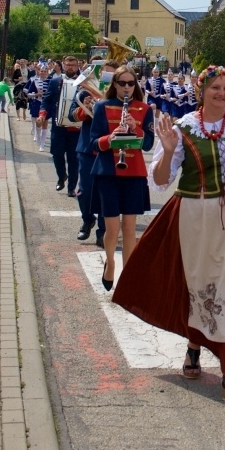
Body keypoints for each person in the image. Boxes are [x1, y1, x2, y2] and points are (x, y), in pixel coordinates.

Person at [112, 66, 225, 409]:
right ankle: (195, 347)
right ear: (202, 90)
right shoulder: (183, 128)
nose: (222, 93)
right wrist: (167, 151)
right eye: (215, 87)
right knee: (202, 288)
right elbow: (162, 180)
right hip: (197, 217)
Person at [89, 66, 154, 291]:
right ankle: (110, 262)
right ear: (114, 84)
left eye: (131, 83)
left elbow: (148, 144)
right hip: (108, 172)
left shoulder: (144, 109)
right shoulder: (102, 107)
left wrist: (136, 128)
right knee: (112, 228)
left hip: (134, 173)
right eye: (122, 83)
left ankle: (128, 276)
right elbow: (93, 143)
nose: (127, 87)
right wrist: (111, 137)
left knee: (129, 227)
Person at [69, 60, 118, 245]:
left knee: (106, 192)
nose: (108, 78)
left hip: (110, 148)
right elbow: (71, 114)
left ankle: (102, 232)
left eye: (112, 75)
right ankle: (88, 220)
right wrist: (87, 109)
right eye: (105, 74)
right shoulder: (85, 91)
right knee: (85, 191)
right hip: (88, 147)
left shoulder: (121, 95)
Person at [40, 55, 83, 191]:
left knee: (73, 159)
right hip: (58, 126)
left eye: (73, 65)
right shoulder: (55, 82)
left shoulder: (84, 82)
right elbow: (46, 100)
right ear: (63, 66)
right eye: (67, 65)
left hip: (76, 128)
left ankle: (71, 187)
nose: (70, 67)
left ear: (77, 66)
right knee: (57, 154)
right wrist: (42, 115)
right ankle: (61, 176)